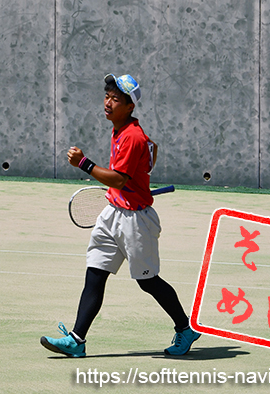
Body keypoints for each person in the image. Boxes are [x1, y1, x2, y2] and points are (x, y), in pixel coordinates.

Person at [41, 74, 201, 358]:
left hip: (136, 222)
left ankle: (185, 328)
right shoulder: (123, 130)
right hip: (111, 214)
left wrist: (84, 163)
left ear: (130, 106)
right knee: (95, 275)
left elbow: (117, 179)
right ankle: (77, 340)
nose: (108, 102)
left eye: (116, 99)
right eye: (107, 96)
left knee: (148, 281)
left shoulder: (132, 136)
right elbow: (151, 153)